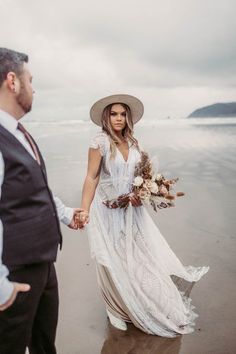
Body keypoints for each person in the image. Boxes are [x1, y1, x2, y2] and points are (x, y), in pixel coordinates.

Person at [79, 94, 209, 337]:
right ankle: (116, 308)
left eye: (122, 114)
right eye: (113, 113)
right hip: (109, 210)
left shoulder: (134, 143)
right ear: (106, 117)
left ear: (128, 117)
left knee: (141, 257)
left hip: (133, 211)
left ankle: (142, 301)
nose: (118, 118)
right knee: (113, 259)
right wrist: (84, 210)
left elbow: (143, 174)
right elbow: (91, 177)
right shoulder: (99, 142)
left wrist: (149, 190)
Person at [0, 48, 82, 354]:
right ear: (13, 81)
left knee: (45, 344)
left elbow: (35, 189)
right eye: (30, 80)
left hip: (44, 263)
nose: (34, 88)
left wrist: (65, 214)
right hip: (15, 270)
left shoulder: (19, 132)